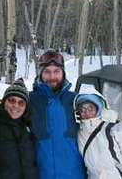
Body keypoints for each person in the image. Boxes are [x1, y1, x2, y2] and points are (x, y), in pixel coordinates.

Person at [29, 49, 85, 179]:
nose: (52, 77)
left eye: (56, 72)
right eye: (47, 72)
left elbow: (96, 125)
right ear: (40, 74)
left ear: (63, 73)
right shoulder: (30, 100)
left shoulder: (76, 100)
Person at [74, 89, 122, 179]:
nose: (87, 113)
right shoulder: (79, 134)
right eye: (82, 110)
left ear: (98, 108)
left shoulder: (116, 127)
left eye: (90, 108)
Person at [0, 78, 38, 179]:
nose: (15, 106)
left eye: (21, 103)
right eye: (11, 100)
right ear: (4, 102)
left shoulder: (28, 127)